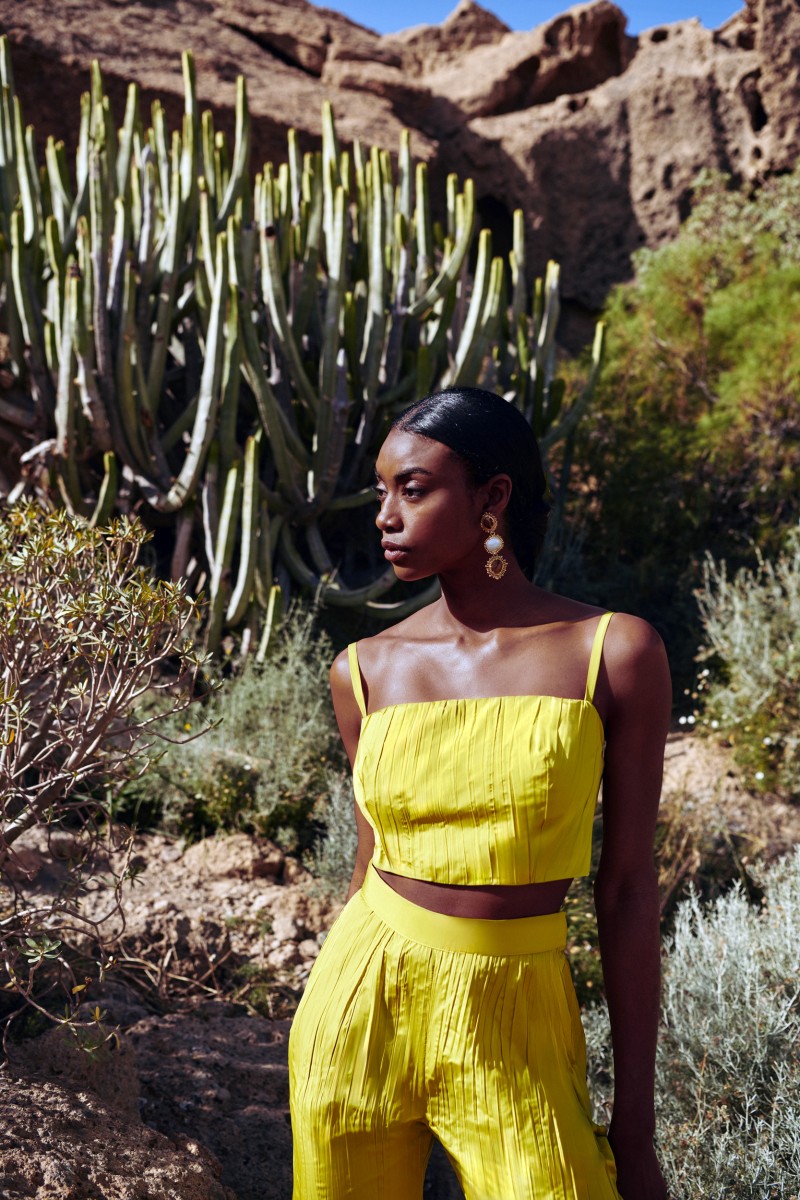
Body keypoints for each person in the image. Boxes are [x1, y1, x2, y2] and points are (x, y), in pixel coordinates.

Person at [289, 386, 671, 1200]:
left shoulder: (615, 652)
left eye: (414, 489)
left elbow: (630, 887)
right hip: (358, 1009)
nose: (386, 516)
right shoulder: (363, 671)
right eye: (382, 491)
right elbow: (368, 864)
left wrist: (634, 1131)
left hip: (518, 1009)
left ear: (492, 498)